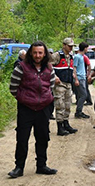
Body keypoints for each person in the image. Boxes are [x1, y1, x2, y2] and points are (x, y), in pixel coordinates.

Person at [7, 41, 58, 178]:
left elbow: (51, 85)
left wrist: (45, 99)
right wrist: (24, 98)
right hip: (26, 108)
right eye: (35, 52)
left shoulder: (49, 68)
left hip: (43, 109)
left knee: (43, 137)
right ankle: (19, 167)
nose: (37, 55)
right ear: (31, 53)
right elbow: (13, 87)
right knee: (22, 138)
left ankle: (41, 166)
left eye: (40, 52)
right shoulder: (21, 67)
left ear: (44, 53)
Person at [52, 38, 78, 136]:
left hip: (68, 83)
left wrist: (74, 77)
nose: (71, 48)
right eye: (69, 46)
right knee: (60, 105)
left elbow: (72, 68)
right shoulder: (57, 55)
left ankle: (66, 124)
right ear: (64, 45)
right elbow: (48, 67)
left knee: (67, 104)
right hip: (60, 84)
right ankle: (60, 127)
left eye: (72, 46)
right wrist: (54, 77)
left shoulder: (71, 56)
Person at [73, 42, 90, 119]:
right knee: (84, 95)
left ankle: (79, 111)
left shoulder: (82, 57)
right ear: (85, 48)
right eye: (87, 48)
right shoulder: (77, 57)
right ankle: (78, 112)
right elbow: (74, 68)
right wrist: (76, 79)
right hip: (79, 78)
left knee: (82, 95)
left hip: (82, 78)